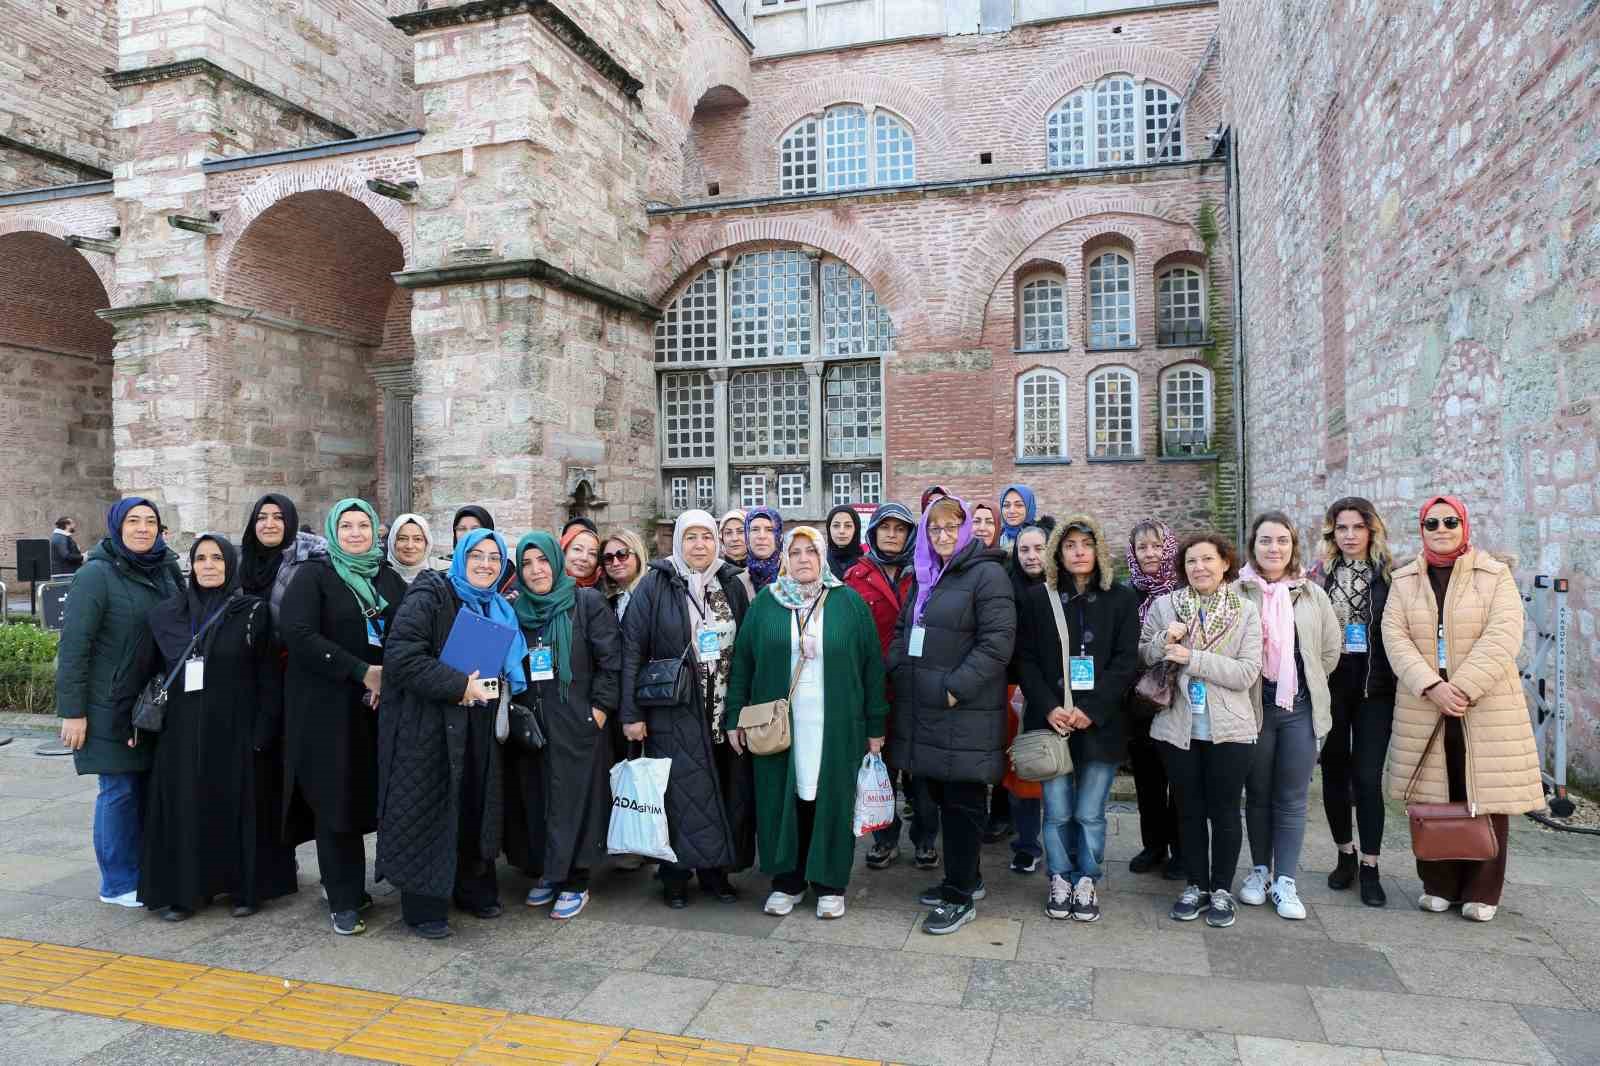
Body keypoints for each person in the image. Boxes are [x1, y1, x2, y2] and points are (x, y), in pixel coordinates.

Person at [115, 534, 296, 920]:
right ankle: (185, 892)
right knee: (185, 807)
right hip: (182, 733)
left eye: (217, 558)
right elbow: (140, 669)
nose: (209, 565)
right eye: (201, 558)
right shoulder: (167, 615)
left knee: (238, 807)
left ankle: (244, 888)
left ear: (230, 565)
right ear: (191, 565)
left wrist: (265, 728)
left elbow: (269, 677)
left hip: (237, 729)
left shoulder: (252, 612)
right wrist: (123, 721)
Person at [1384, 495, 1539, 922]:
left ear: (1464, 525)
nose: (1441, 529)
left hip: (1484, 703)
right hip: (1426, 702)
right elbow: (1394, 637)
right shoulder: (1405, 580)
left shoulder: (1495, 576)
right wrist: (1431, 685)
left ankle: (1483, 891)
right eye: (1431, 523)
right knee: (1433, 795)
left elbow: (1504, 635)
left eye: (1450, 521)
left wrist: (1463, 688)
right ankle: (1438, 884)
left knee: (1484, 794)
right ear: (1422, 529)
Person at [728, 526, 887, 920]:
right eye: (795, 552)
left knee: (830, 799)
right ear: (785, 558)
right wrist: (734, 717)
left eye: (810, 552)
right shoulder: (767, 603)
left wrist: (875, 726)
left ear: (822, 557)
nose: (803, 559)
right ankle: (787, 881)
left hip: (836, 725)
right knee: (782, 799)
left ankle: (831, 883)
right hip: (779, 726)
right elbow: (743, 663)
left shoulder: (847, 603)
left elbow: (872, 668)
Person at [378, 528, 526, 938]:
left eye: (494, 558)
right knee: (428, 809)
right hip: (429, 727)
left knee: (473, 805)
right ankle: (424, 906)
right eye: (476, 555)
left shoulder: (496, 606)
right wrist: (458, 686)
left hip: (476, 722)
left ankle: (471, 886)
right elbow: (402, 659)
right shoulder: (431, 594)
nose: (485, 564)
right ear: (460, 557)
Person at [887, 496, 1016, 935]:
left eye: (950, 527)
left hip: (962, 711)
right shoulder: (927, 575)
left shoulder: (988, 574)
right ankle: (967, 879)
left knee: (962, 805)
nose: (942, 536)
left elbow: (997, 643)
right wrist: (899, 668)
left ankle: (959, 896)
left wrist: (954, 690)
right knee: (940, 797)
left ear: (965, 530)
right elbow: (906, 627)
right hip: (924, 706)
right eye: (934, 529)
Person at [281, 499, 406, 936]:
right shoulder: (313, 576)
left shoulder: (387, 578)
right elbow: (297, 634)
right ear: (335, 532)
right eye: (347, 526)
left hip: (377, 709)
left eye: (363, 526)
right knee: (336, 801)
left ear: (376, 532)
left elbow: (406, 633)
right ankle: (344, 897)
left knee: (368, 795)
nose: (356, 533)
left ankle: (365, 884)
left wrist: (386, 679)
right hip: (326, 711)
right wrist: (361, 673)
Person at [620, 510, 754, 907]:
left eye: (707, 537)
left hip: (722, 710)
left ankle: (716, 872)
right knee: (679, 797)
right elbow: (632, 650)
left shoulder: (731, 584)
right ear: (678, 541)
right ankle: (675, 877)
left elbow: (746, 649)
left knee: (722, 792)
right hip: (673, 711)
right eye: (691, 537)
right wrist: (631, 714)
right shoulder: (655, 585)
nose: (700, 545)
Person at [55, 498, 183, 908]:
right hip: (108, 703)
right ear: (116, 526)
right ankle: (117, 882)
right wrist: (73, 712)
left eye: (150, 521)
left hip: (153, 703)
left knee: (146, 788)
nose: (142, 528)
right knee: (119, 789)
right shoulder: (96, 575)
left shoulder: (166, 569)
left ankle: (145, 869)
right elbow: (74, 647)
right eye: (133, 521)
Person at [1016, 516, 1140, 922]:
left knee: (1089, 811)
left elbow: (1125, 663)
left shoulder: (1121, 599)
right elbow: (1026, 660)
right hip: (1051, 720)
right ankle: (1060, 876)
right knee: (1056, 811)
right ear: (1058, 552)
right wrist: (1050, 706)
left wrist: (1091, 710)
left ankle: (1086, 877)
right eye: (1070, 545)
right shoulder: (1039, 599)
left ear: (1099, 549)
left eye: (1086, 544)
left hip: (1099, 723)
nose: (1079, 552)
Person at [1141, 532, 1262, 929]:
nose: (1200, 568)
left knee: (1226, 811)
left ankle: (1222, 890)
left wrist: (1192, 658)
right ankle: (1195, 885)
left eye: (1208, 559)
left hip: (1230, 728)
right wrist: (1164, 639)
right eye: (1192, 561)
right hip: (1178, 726)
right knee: (1188, 810)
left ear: (1225, 563)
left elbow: (1246, 672)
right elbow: (1144, 652)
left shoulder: (1245, 611)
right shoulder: (1165, 606)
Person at [503, 531, 622, 920]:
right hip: (534, 723)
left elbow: (611, 660)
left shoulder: (584, 602)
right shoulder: (516, 609)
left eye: (542, 561)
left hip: (578, 721)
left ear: (556, 561)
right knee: (541, 798)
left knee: (579, 801)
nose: (536, 570)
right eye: (527, 563)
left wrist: (599, 710)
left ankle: (577, 878)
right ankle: (551, 872)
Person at [1236, 511, 1341, 920]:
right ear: (1254, 546)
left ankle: (1286, 880)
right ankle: (1260, 870)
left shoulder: (1312, 594)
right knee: (1258, 793)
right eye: (1265, 540)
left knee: (1292, 797)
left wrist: (1298, 680)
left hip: (1299, 708)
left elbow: (1329, 652)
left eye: (1282, 540)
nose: (1273, 548)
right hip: (1253, 706)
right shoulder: (1238, 592)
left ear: (1293, 546)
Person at [1311, 497, 1396, 906]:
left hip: (1374, 688)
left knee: (1366, 778)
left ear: (1371, 531)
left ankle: (1371, 865)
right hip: (1331, 688)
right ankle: (1345, 854)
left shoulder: (1390, 576)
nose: (1349, 536)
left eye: (1356, 528)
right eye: (1341, 528)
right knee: (1334, 776)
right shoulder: (1319, 577)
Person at [843, 502, 922, 870]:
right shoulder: (855, 577)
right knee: (881, 769)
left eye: (900, 528)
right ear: (873, 532)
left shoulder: (924, 572)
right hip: (874, 689)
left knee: (922, 773)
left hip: (917, 687)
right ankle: (885, 839)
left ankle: (924, 838)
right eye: (885, 527)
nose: (892, 534)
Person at [1126, 519, 1184, 880]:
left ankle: (1182, 848)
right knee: (1147, 778)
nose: (1149, 553)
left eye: (1156, 546)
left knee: (1178, 777)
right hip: (1139, 699)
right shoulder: (1126, 593)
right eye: (1142, 547)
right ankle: (1153, 845)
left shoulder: (1184, 589)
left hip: (1179, 698)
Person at [1000, 517, 1056, 876]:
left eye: (1039, 548)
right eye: (1024, 550)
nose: (1032, 556)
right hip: (1012, 687)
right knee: (1021, 768)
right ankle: (1026, 843)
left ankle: (1058, 841)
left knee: (1056, 767)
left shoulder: (1063, 588)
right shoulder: (1006, 586)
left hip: (1055, 692)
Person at [239, 494, 327, 624]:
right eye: (261, 517)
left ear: (290, 522)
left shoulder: (309, 562)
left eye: (278, 517)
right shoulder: (239, 560)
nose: (269, 525)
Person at [599, 528, 647, 621]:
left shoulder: (654, 592)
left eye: (622, 554)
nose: (615, 563)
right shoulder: (609, 601)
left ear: (638, 556)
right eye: (608, 558)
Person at [738, 507, 783, 600]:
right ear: (747, 536)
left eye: (769, 529)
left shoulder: (794, 576)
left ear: (779, 536)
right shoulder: (736, 581)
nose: (762, 536)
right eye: (755, 529)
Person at [386, 513, 436, 585]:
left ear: (427, 543)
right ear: (392, 542)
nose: (410, 546)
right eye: (402, 539)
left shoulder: (440, 583)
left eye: (417, 539)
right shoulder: (376, 579)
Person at [823, 504, 864, 581]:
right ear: (829, 529)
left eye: (848, 526)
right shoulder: (819, 560)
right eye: (836, 526)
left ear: (856, 529)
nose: (842, 531)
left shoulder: (867, 562)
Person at [997, 484, 1037, 554]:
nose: (1011, 511)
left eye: (1019, 505)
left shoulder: (1043, 538)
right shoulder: (995, 538)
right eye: (1006, 505)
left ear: (1029, 507)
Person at [561, 524, 602, 589]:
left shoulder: (607, 592)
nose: (584, 558)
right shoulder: (547, 585)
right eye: (577, 549)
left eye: (592, 553)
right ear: (564, 551)